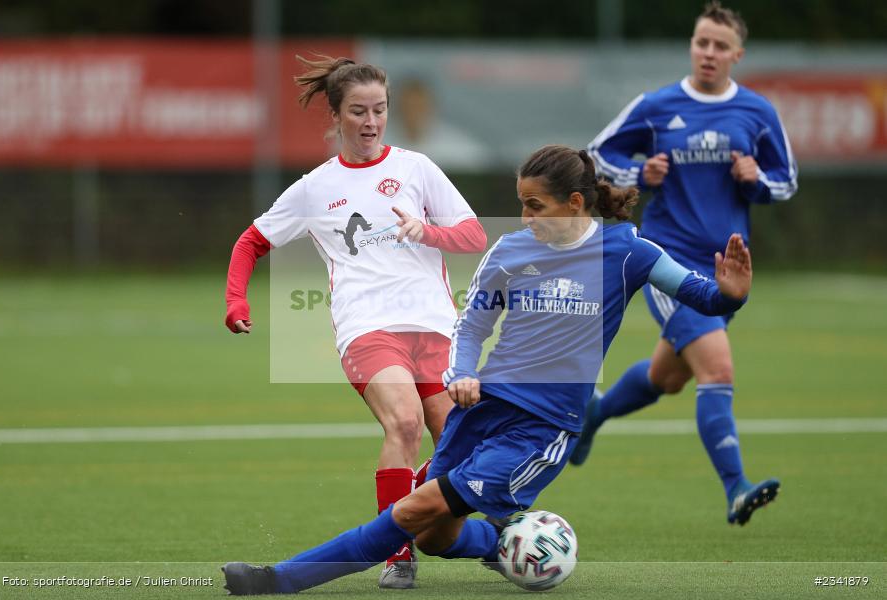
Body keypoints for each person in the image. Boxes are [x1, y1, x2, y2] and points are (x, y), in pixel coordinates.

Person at [221, 145, 755, 595]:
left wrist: (730, 293)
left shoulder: (627, 251)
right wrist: (463, 373)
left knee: (411, 511)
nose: (525, 218)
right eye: (521, 205)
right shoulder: (512, 249)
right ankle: (511, 547)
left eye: (535, 206)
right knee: (434, 535)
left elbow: (701, 295)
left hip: (539, 429)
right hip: (480, 412)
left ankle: (276, 581)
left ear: (574, 203)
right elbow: (472, 325)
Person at [224, 54, 487, 590]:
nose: (370, 122)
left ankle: (497, 542)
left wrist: (426, 232)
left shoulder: (417, 169)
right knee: (405, 423)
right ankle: (398, 553)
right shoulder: (315, 188)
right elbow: (251, 241)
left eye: (380, 110)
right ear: (336, 115)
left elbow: (474, 236)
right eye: (358, 111)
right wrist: (237, 302)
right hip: (367, 329)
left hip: (436, 328)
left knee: (454, 442)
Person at [573, 1, 796, 526]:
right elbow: (596, 153)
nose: (709, 53)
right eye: (702, 43)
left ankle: (594, 413)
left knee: (667, 377)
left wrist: (755, 182)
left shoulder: (757, 112)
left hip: (727, 269)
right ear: (692, 46)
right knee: (716, 368)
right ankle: (736, 486)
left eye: (721, 46)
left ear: (737, 54)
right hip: (669, 260)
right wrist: (638, 172)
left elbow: (785, 179)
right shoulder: (657, 105)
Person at [388, 77, 495, 172]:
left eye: (419, 106)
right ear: (396, 107)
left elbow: (483, 165)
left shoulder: (456, 145)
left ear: (432, 107)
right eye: (407, 106)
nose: (413, 112)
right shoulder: (379, 142)